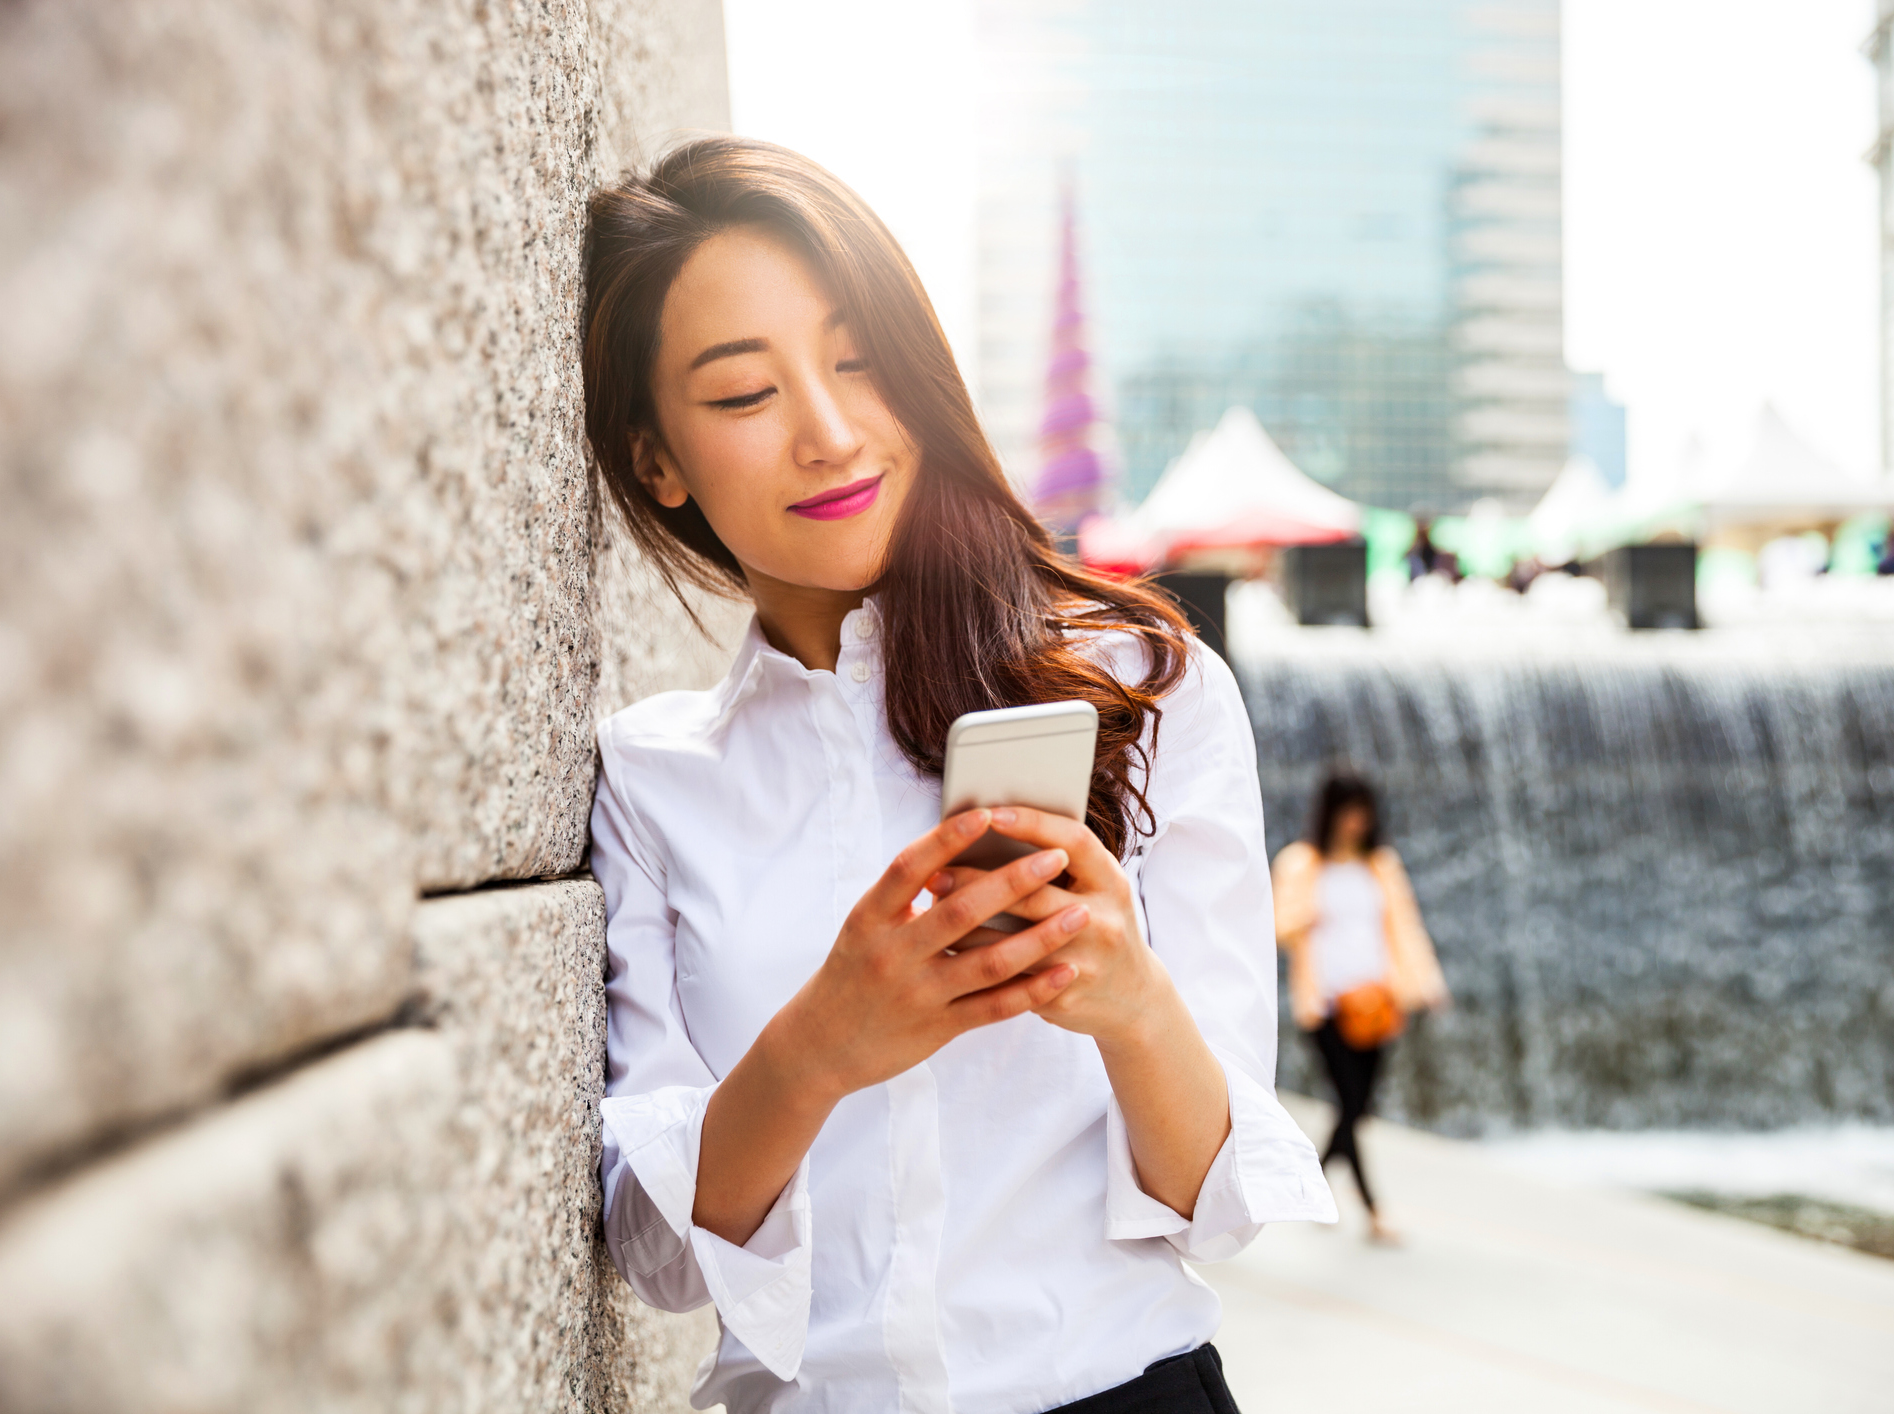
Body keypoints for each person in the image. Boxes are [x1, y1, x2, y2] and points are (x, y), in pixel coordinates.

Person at [580, 137, 1335, 1414]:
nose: (829, 434)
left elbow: (1223, 1202)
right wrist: (824, 1040)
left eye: (856, 358)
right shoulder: (654, 781)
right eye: (744, 394)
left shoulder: (1142, 688)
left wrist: (1127, 999)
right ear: (659, 459)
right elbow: (652, 1256)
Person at [1271, 771, 1447, 1243]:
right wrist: (1306, 913)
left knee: (1356, 1109)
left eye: (1363, 811)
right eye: (1349, 810)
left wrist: (1427, 983)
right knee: (1351, 1104)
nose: (1357, 821)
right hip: (1326, 1007)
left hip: (1378, 1002)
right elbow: (1274, 924)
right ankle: (1373, 1212)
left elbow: (1405, 927)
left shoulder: (1381, 865)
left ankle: (1316, 1186)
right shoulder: (1301, 864)